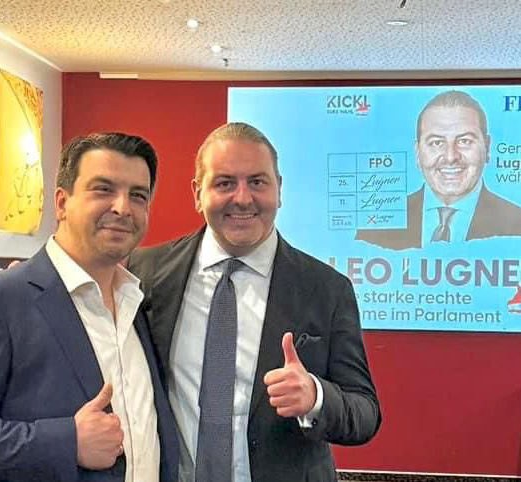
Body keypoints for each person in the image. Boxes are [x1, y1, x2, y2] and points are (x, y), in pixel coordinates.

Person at [0, 133, 178, 482]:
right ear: (61, 202)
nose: (122, 207)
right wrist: (68, 443)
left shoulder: (139, 305)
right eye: (103, 189)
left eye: (138, 195)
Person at [128, 122, 381, 482]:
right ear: (197, 193)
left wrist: (315, 396)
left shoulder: (327, 289)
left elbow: (365, 413)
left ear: (279, 189)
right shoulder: (145, 273)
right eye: (224, 183)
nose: (243, 198)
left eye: (258, 182)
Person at [356, 90, 521, 250]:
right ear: (417, 152)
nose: (450, 157)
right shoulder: (373, 230)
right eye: (436, 142)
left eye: (464, 141)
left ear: (487, 147)